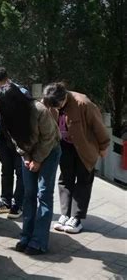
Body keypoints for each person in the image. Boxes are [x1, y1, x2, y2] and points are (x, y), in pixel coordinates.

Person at [0, 83, 61, 255]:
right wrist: (25, 157)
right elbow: (15, 140)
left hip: (49, 151)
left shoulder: (39, 109)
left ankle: (39, 241)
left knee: (44, 194)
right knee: (29, 194)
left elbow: (49, 137)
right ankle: (26, 236)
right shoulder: (9, 116)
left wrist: (38, 160)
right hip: (29, 154)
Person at [43, 83, 110, 234]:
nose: (57, 108)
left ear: (64, 96)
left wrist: (104, 146)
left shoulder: (83, 103)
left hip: (85, 147)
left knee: (83, 180)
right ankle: (65, 214)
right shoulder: (50, 102)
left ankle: (76, 218)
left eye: (58, 105)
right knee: (65, 179)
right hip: (64, 146)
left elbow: (98, 126)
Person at [0, 65, 28, 219]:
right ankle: (5, 201)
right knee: (6, 170)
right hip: (1, 138)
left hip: (18, 140)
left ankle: (19, 204)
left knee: (20, 172)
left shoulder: (21, 93)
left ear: (3, 81)